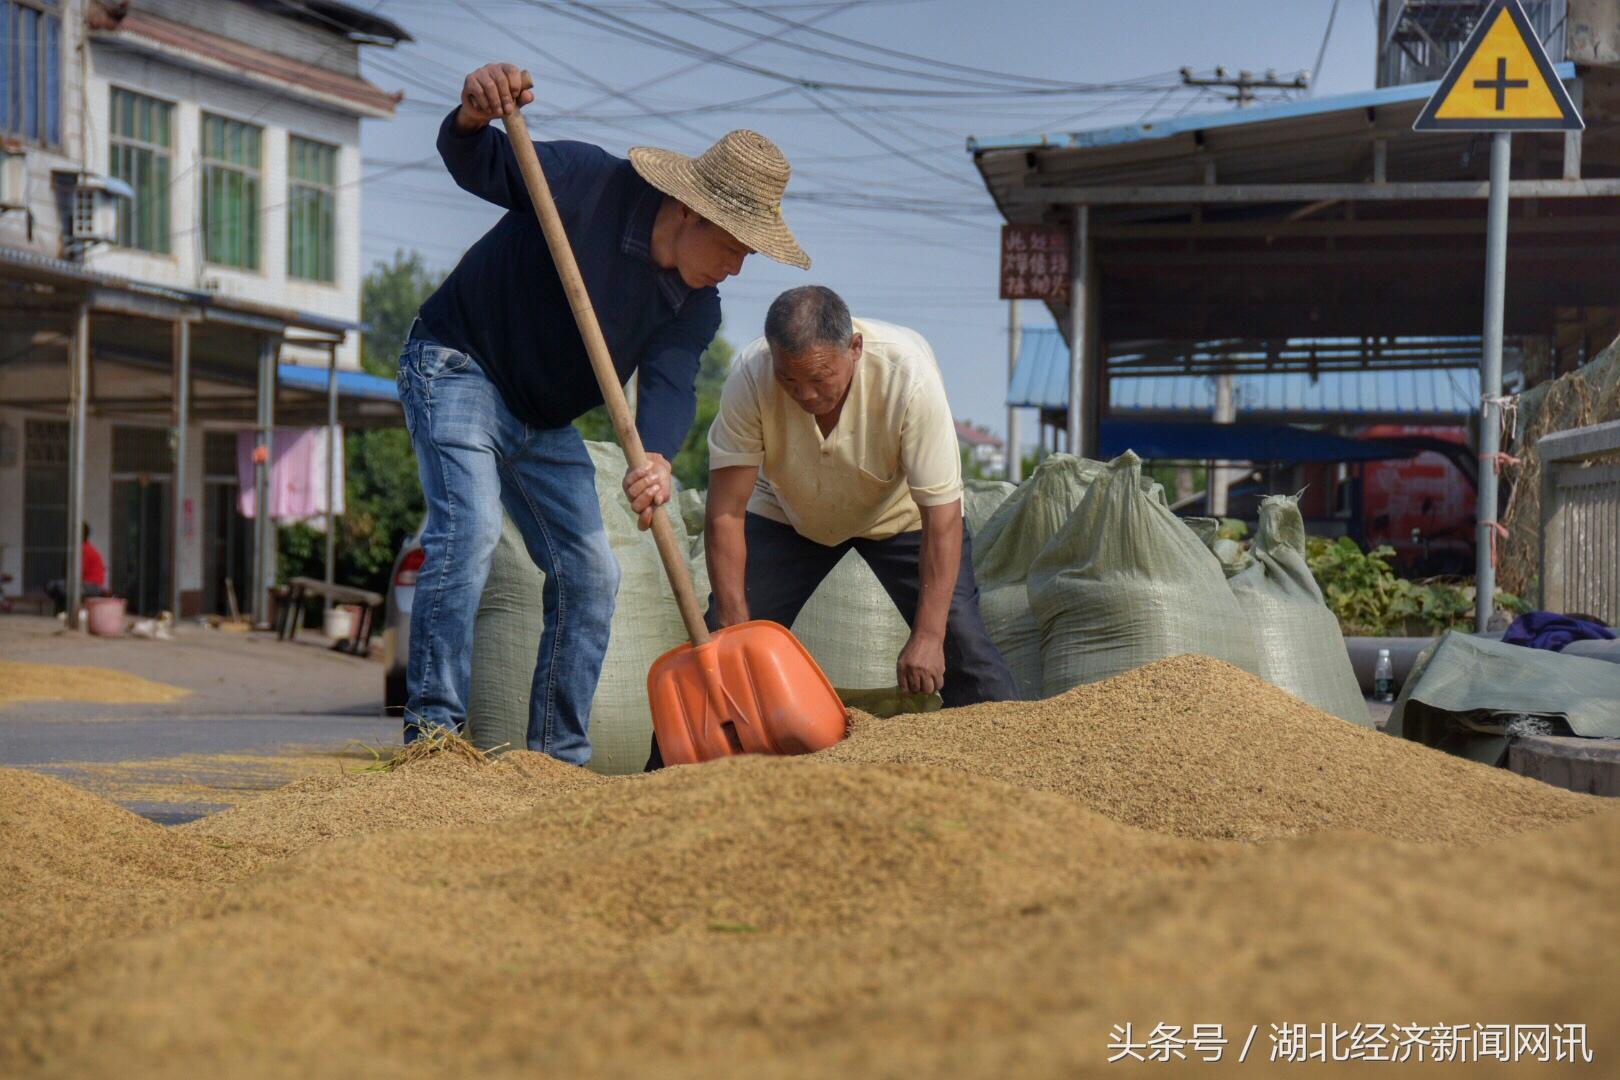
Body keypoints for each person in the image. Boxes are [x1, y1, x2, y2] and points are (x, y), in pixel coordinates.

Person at [398, 62, 808, 764]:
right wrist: (472, 114)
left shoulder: (694, 302)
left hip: (543, 422)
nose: (737, 269)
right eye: (734, 247)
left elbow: (673, 385)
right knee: (467, 537)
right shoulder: (588, 183)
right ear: (689, 212)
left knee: (593, 574)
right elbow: (478, 162)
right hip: (460, 367)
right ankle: (432, 740)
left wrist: (653, 457)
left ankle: (557, 756)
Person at [646, 286, 1016, 768]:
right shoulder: (751, 375)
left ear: (855, 349)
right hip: (787, 511)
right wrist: (735, 629)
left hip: (899, 515)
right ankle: (661, 785)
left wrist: (928, 635)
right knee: (718, 650)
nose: (805, 394)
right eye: (790, 379)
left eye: (820, 378)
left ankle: (1015, 775)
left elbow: (941, 520)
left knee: (964, 650)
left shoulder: (908, 377)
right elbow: (726, 512)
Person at [46, 523, 107, 614]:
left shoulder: (84, 549)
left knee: (55, 586)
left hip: (92, 586)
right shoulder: (83, 548)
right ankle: (64, 612)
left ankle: (66, 612)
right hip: (87, 584)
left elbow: (76, 572)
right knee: (58, 586)